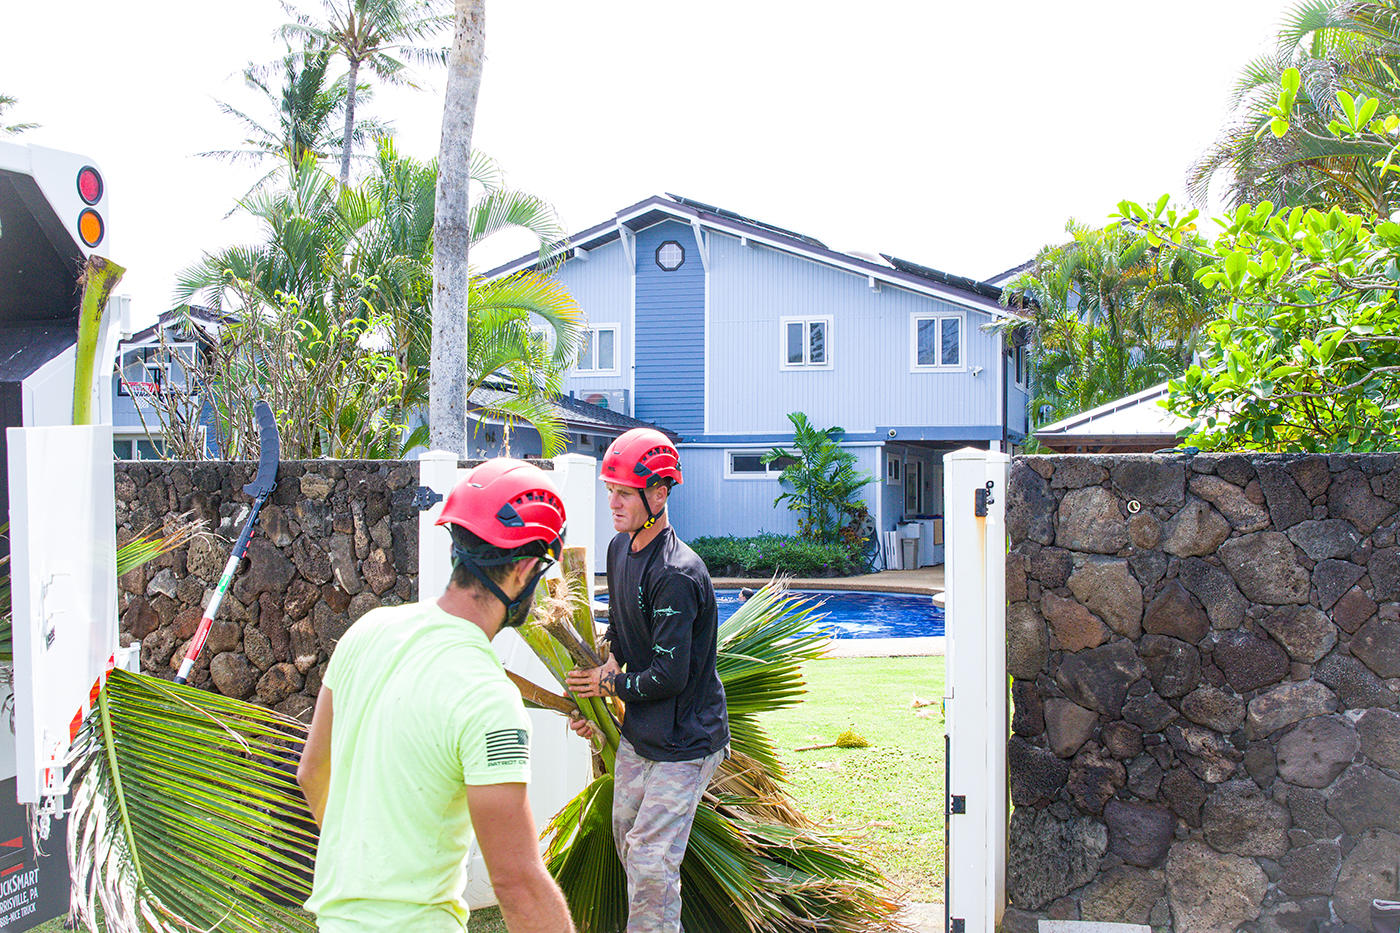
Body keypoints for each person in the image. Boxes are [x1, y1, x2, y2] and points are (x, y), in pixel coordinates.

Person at [297, 458, 576, 933]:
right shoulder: (487, 697)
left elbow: (312, 773)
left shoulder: (368, 632)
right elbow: (517, 883)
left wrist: (373, 875)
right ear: (524, 570)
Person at [565, 428, 729, 933]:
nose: (611, 501)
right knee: (627, 841)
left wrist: (607, 686)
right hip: (643, 734)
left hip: (686, 741)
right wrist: (606, 665)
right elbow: (621, 625)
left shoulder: (677, 574)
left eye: (624, 492)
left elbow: (668, 676)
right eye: (608, 488)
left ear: (659, 493)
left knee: (652, 861)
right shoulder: (619, 549)